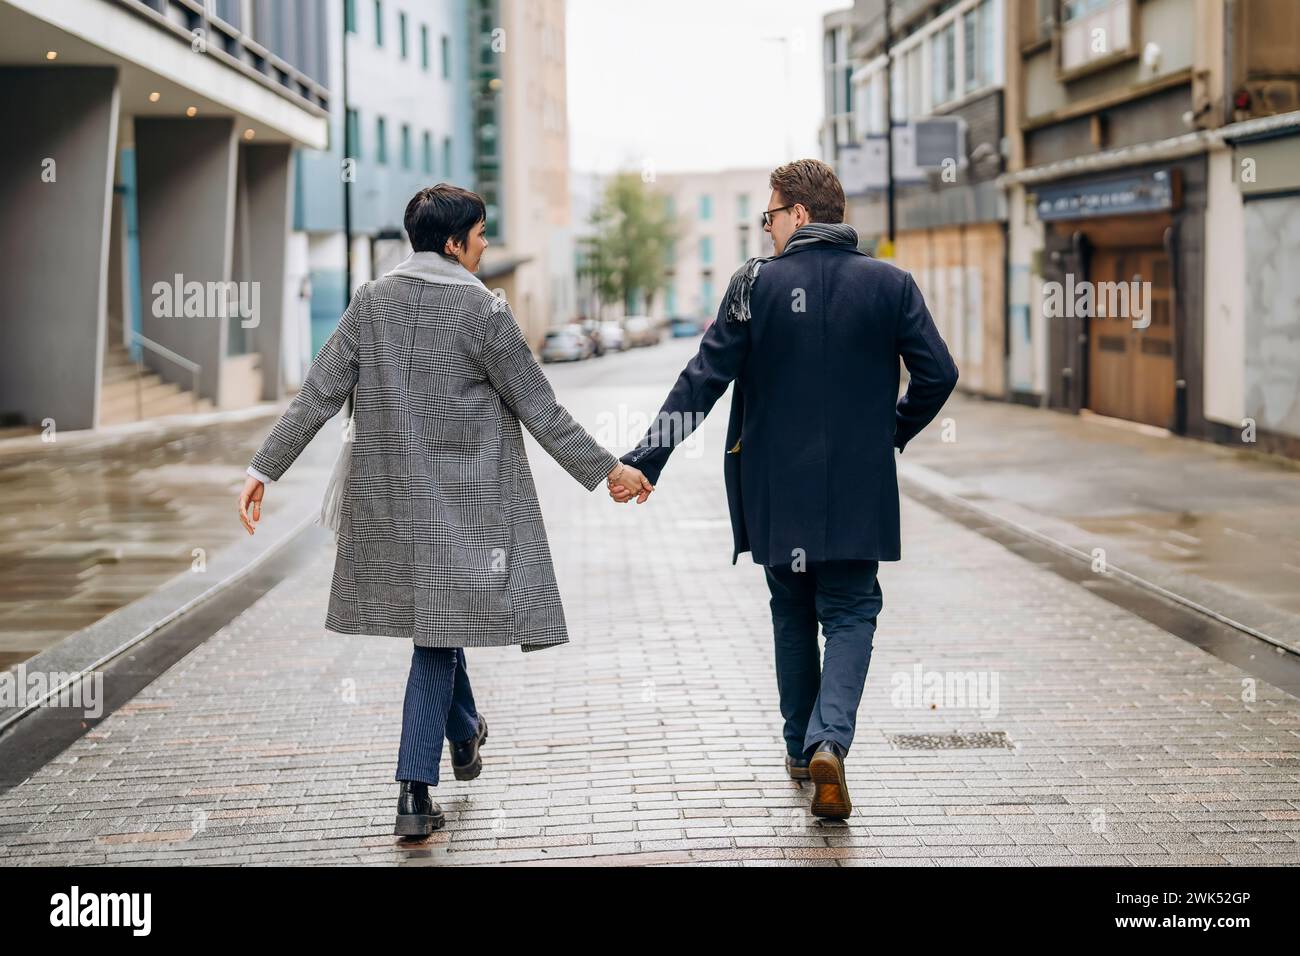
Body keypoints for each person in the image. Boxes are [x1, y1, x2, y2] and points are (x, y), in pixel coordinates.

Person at [236, 184, 653, 838]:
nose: (486, 246)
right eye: (481, 235)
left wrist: (264, 467)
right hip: (463, 503)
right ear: (455, 242)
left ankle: (465, 730)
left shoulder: (371, 302)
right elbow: (539, 408)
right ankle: (412, 791)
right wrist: (610, 471)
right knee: (435, 636)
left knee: (438, 619)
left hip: (388, 502)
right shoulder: (483, 310)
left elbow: (317, 393)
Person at [609, 159, 959, 820]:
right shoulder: (890, 283)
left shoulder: (754, 286)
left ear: (798, 215)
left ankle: (802, 749)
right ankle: (831, 740)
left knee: (792, 608)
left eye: (769, 215)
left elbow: (701, 382)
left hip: (776, 488)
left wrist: (645, 460)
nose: (765, 229)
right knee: (852, 609)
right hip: (860, 487)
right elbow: (939, 373)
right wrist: (891, 431)